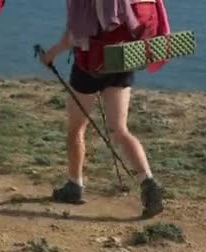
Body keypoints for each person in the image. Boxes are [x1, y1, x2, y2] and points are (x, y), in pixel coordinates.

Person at [41, 0, 165, 218]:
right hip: (124, 59)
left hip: (91, 63)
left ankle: (74, 185)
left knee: (77, 128)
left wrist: (53, 52)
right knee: (120, 129)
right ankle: (149, 183)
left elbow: (76, 31)